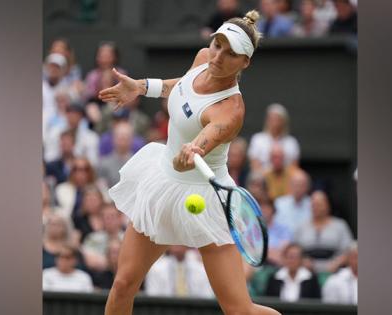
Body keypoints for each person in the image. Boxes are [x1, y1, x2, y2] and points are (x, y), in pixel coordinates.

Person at [98, 10, 281, 315]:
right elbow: (182, 88)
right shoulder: (203, 58)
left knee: (239, 311)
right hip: (161, 186)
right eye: (217, 44)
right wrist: (142, 87)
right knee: (122, 286)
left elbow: (200, 144)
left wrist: (192, 151)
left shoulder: (230, 111)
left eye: (230, 53)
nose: (218, 56)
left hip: (208, 200)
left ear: (244, 63)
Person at [293, 190, 353, 273]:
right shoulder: (301, 226)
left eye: (319, 204)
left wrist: (337, 263)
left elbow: (349, 250)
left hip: (336, 272)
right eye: (313, 205)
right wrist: (303, 261)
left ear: (327, 205)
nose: (316, 208)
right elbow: (294, 250)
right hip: (306, 273)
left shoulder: (340, 225)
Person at [248, 103, 300, 174]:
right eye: (271, 119)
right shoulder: (257, 139)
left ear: (284, 121)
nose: (274, 122)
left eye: (277, 119)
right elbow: (254, 165)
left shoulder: (292, 142)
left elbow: (294, 168)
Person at [144, 246, 214, 298]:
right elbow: (153, 300)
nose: (177, 243)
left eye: (181, 237)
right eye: (173, 237)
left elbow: (207, 298)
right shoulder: (155, 269)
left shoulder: (202, 270)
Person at [274, 169, 312, 235]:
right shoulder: (279, 203)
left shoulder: (313, 204)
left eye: (301, 185)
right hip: (282, 242)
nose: (298, 188)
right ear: (290, 185)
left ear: (307, 187)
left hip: (306, 242)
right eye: (296, 185)